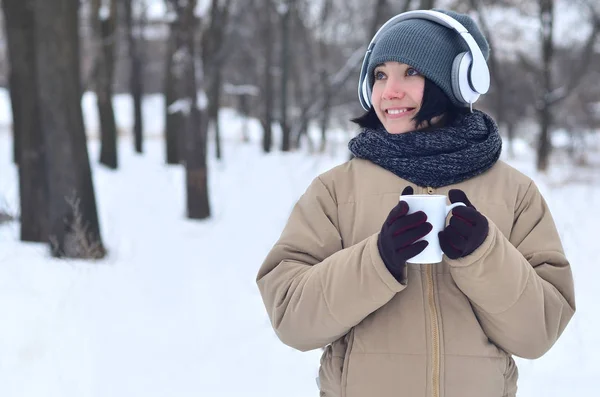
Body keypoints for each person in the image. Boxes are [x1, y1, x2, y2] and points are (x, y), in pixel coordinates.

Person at [256, 8, 575, 397]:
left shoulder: (515, 193)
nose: (389, 91)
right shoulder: (335, 191)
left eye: (411, 72)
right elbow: (292, 318)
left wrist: (485, 256)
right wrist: (378, 259)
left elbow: (537, 334)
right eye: (379, 75)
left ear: (456, 83)